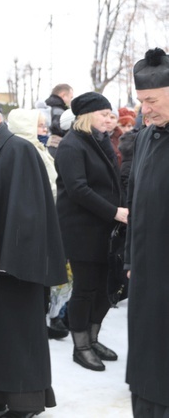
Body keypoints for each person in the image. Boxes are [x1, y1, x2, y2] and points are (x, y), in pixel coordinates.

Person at [0, 83, 67, 417]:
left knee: (17, 337)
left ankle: (25, 403)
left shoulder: (19, 151)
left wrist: (13, 262)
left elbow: (31, 214)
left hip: (13, 270)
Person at [54, 92, 125, 372]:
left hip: (105, 229)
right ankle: (80, 345)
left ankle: (93, 338)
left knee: (105, 289)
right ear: (87, 116)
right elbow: (78, 189)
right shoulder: (73, 144)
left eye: (110, 114)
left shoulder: (101, 141)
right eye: (104, 113)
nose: (109, 118)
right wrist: (114, 212)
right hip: (81, 230)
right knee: (85, 289)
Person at [125, 48, 169, 417]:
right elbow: (134, 201)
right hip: (145, 274)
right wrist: (129, 259)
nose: (145, 110)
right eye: (141, 102)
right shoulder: (144, 138)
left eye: (151, 100)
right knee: (146, 367)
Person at [8, 108, 71, 341]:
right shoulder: (22, 152)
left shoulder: (40, 150)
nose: (45, 130)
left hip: (47, 221)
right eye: (40, 125)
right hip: (31, 228)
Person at [45, 83, 74, 157]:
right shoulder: (58, 112)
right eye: (71, 97)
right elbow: (60, 130)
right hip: (56, 149)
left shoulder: (46, 108)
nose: (71, 101)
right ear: (63, 95)